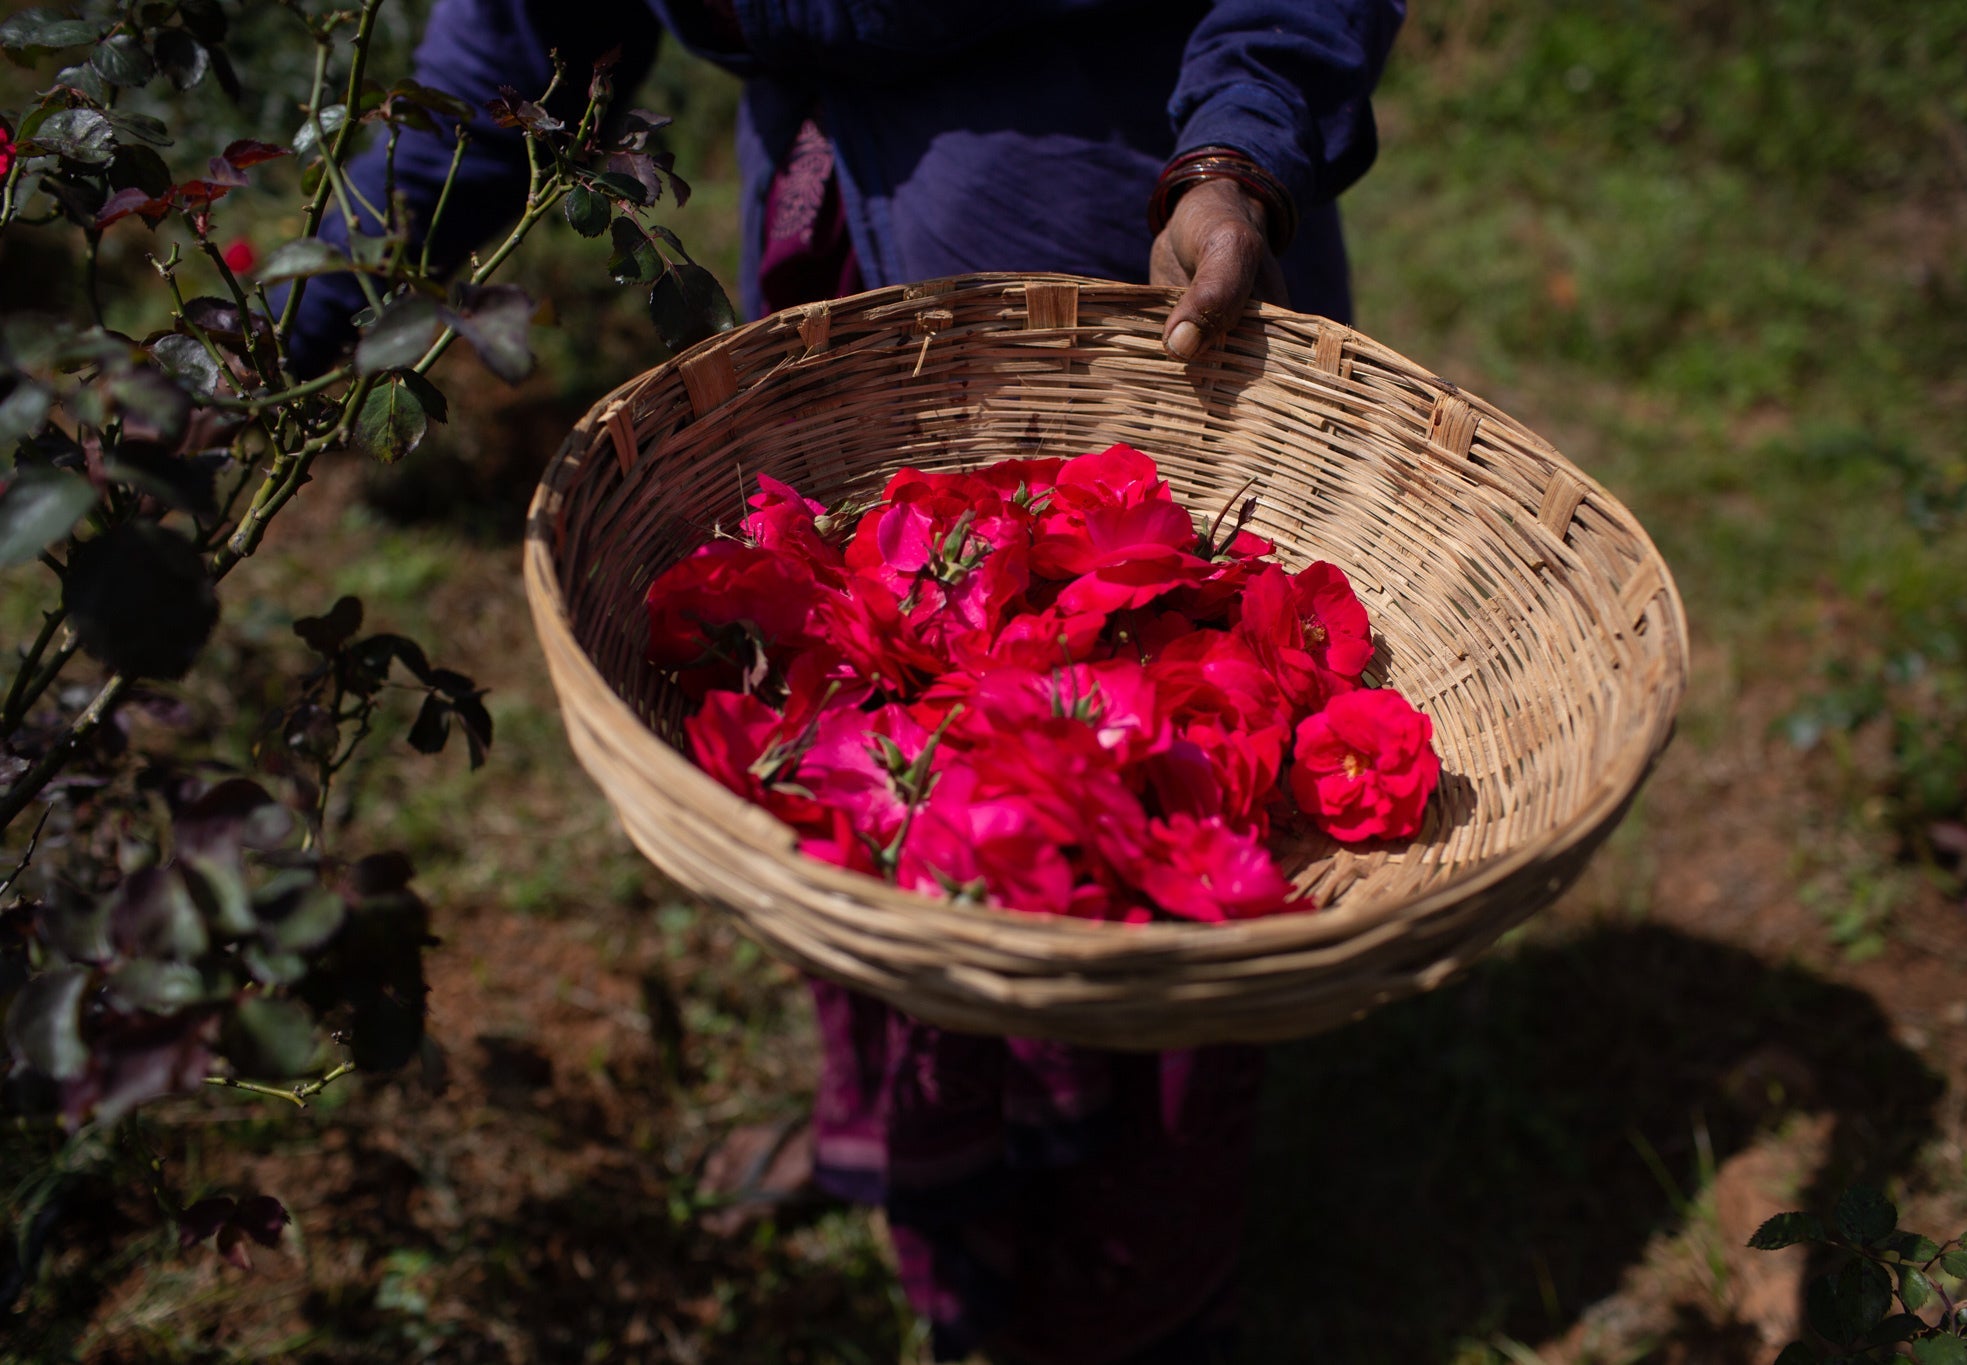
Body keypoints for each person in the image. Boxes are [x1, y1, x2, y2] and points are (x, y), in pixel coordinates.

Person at [291, 4, 1404, 1360]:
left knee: (1140, 841)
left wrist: (1240, 144)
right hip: (828, 254)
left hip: (1115, 251)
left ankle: (1119, 1310)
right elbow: (515, 38)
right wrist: (305, 318)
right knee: (867, 769)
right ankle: (922, 1171)